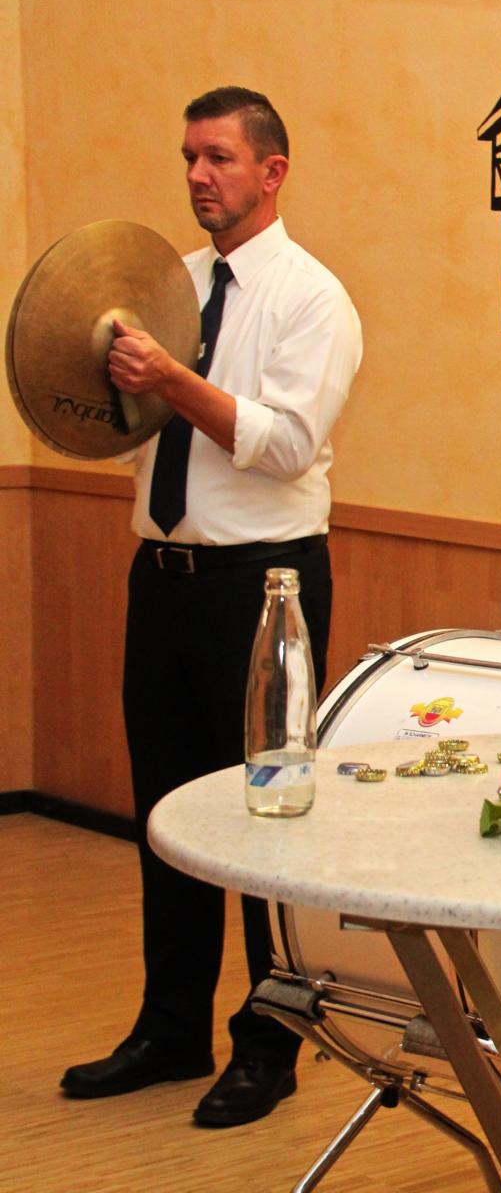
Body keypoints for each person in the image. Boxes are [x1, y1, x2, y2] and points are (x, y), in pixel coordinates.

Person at [60, 87, 362, 1127]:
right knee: (168, 817)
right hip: (163, 578)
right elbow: (132, 427)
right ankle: (171, 1027)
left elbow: (283, 445)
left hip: (265, 584)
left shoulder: (314, 299)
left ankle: (270, 1045)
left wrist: (172, 377)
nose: (198, 176)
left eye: (219, 158)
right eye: (189, 156)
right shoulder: (168, 287)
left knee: (270, 822)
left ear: (272, 172)